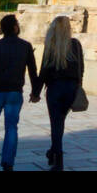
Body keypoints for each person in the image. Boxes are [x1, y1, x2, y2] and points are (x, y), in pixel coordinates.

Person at [0, 14, 41, 171]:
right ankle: (8, 161)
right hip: (14, 93)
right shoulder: (26, 46)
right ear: (15, 27)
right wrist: (35, 92)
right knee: (11, 127)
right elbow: (33, 71)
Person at [39, 15, 85, 171]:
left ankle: (58, 161)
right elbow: (81, 69)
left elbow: (44, 71)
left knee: (56, 124)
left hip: (55, 89)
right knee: (60, 123)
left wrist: (36, 92)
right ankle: (53, 152)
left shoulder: (51, 46)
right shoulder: (76, 45)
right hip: (71, 89)